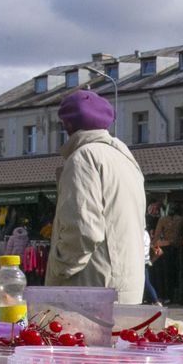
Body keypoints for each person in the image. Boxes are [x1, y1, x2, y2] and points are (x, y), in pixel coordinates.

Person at [45, 89, 146, 302]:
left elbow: (83, 230)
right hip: (128, 286)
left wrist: (59, 268)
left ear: (67, 125)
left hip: (91, 288)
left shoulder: (83, 157)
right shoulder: (125, 159)